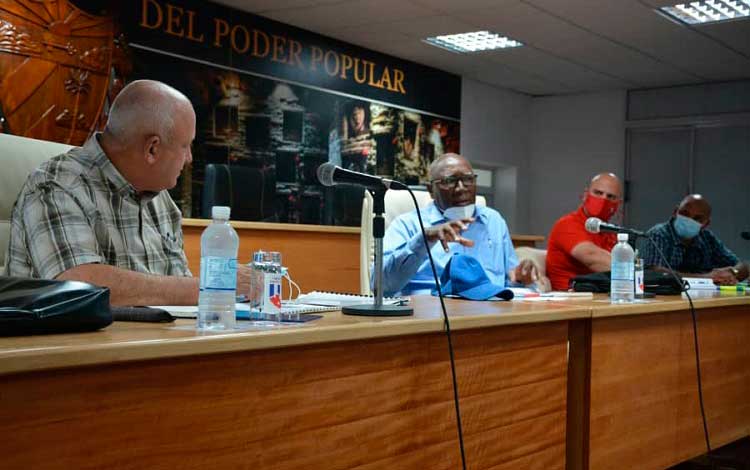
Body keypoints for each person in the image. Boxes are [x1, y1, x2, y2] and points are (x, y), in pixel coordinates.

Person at [4, 80, 250, 305]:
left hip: (149, 345)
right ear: (152, 149)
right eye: (186, 146)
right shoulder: (55, 187)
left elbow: (178, 287)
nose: (189, 159)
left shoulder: (160, 199)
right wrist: (212, 285)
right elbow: (77, 286)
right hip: (68, 350)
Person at [380, 153, 538, 296]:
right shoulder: (408, 224)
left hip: (491, 309)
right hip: (433, 311)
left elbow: (509, 279)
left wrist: (519, 277)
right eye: (450, 181)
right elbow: (380, 284)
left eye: (468, 179)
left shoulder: (493, 220)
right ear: (431, 190)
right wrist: (424, 240)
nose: (462, 188)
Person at [640, 194, 748, 285]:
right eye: (685, 213)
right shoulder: (658, 234)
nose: (689, 220)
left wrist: (732, 272)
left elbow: (743, 267)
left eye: (697, 218)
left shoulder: (707, 238)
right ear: (675, 212)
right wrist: (706, 277)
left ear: (705, 224)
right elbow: (653, 272)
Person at [546, 172, 623, 291]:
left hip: (601, 297)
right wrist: (637, 272)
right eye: (598, 193)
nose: (603, 200)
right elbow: (593, 259)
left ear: (618, 204)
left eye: (610, 197)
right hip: (570, 300)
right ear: (585, 195)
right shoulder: (567, 224)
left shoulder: (610, 232)